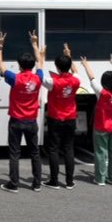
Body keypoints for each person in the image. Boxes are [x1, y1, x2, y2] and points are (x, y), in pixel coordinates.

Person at [0, 31, 44, 193]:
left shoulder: (14, 78)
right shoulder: (38, 78)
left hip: (16, 121)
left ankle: (13, 184)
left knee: (14, 153)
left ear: (19, 65)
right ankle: (37, 183)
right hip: (32, 121)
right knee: (35, 153)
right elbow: (40, 62)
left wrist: (0, 46)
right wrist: (34, 44)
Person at [80, 55, 112, 187]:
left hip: (101, 127)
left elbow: (91, 78)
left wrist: (86, 64)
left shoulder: (102, 92)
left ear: (104, 82)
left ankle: (100, 179)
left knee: (100, 153)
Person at [41, 43, 80, 190]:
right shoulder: (76, 80)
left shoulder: (52, 82)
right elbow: (75, 70)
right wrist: (69, 55)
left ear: (56, 67)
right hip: (70, 118)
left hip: (55, 118)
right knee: (69, 148)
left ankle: (54, 180)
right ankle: (69, 181)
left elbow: (40, 74)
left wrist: (41, 56)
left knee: (54, 149)